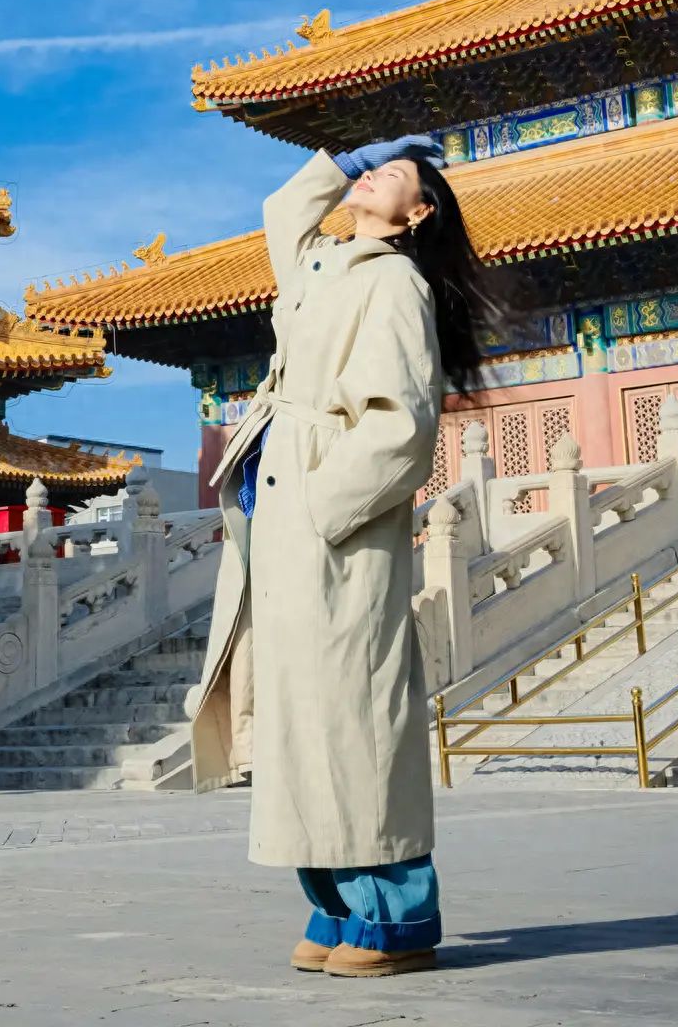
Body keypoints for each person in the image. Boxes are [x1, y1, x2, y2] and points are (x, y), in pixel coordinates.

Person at [189, 136, 497, 978]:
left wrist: (324, 510)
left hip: (333, 527)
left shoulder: (394, 283)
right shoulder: (325, 265)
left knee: (354, 721)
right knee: (296, 725)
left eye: (391, 176)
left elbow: (402, 425)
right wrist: (348, 157)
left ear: (418, 214)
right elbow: (282, 214)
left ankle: (397, 918)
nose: (371, 178)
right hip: (279, 516)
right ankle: (331, 905)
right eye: (369, 170)